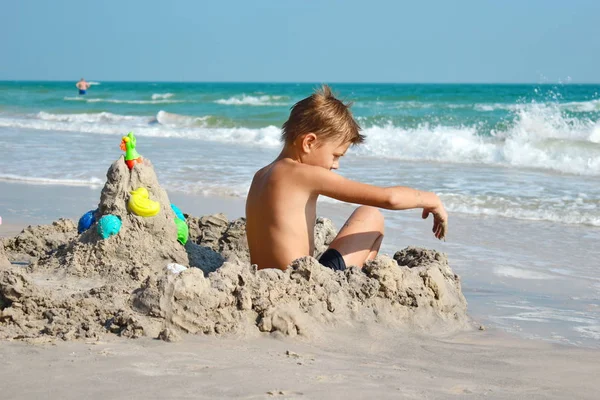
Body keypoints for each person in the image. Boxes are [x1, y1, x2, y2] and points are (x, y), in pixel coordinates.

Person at [245, 85, 448, 271]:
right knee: (371, 215)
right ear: (308, 142)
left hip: (267, 280)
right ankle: (355, 282)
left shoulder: (261, 175)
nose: (336, 165)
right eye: (335, 155)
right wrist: (432, 199)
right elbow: (389, 198)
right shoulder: (305, 174)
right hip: (301, 284)